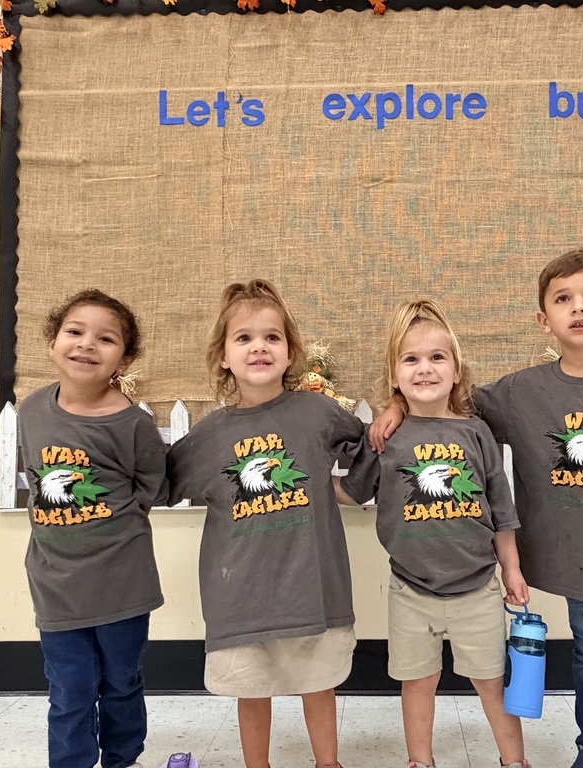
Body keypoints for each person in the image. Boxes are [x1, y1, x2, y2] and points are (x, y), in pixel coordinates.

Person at [371, 251, 583, 768]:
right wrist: (396, 403)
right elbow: (443, 403)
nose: (579, 308)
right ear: (543, 320)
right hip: (574, 561)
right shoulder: (521, 392)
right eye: (563, 299)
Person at [166, 279, 366, 768]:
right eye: (244, 338)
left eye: (272, 337)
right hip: (242, 599)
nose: (259, 346)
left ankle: (328, 762)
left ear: (290, 351)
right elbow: (159, 483)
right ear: (223, 357)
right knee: (251, 691)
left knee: (318, 684)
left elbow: (371, 449)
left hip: (314, 591)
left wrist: (348, 490)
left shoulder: (318, 412)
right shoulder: (210, 434)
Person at [335, 300, 532, 768]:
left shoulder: (477, 433)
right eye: (411, 359)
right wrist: (307, 481)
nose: (425, 368)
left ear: (457, 368)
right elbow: (353, 491)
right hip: (410, 588)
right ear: (395, 374)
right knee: (418, 682)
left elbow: (500, 509)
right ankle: (419, 761)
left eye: (436, 357)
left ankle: (514, 761)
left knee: (490, 683)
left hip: (478, 585)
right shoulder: (383, 436)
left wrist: (514, 570)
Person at [18, 289, 167, 768]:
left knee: (121, 680)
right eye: (75, 332)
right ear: (53, 340)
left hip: (123, 582)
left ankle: (123, 758)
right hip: (55, 583)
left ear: (124, 359)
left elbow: (149, 488)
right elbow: (34, 477)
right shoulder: (32, 410)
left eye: (105, 339)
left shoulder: (133, 424)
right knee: (69, 688)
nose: (86, 345)